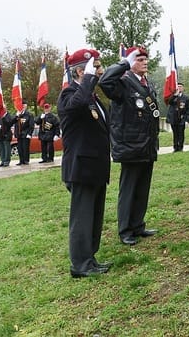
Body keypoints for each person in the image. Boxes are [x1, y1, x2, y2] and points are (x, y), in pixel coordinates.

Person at [57, 48, 111, 278]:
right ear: (81, 71)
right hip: (81, 168)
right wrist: (88, 78)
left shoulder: (91, 96)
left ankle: (90, 258)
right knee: (82, 218)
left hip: (96, 167)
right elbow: (76, 105)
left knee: (94, 216)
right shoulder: (69, 95)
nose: (100, 70)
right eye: (95, 67)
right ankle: (79, 264)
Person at [100, 46, 160, 245]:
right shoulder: (123, 83)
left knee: (142, 188)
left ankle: (137, 225)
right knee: (129, 189)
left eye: (145, 59)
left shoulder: (146, 83)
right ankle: (125, 229)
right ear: (131, 62)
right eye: (139, 59)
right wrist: (124, 62)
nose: (144, 62)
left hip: (147, 146)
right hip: (131, 146)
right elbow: (104, 81)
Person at [167, 82, 189, 152]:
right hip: (174, 118)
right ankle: (175, 147)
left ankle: (180, 147)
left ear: (183, 88)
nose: (179, 88)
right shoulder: (173, 96)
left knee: (181, 133)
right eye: (178, 86)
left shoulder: (186, 98)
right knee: (175, 133)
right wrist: (175, 95)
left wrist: (187, 119)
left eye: (181, 86)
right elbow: (169, 102)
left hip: (182, 118)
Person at [11, 100, 34, 165]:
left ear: (26, 106)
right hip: (19, 134)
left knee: (25, 148)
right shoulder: (17, 114)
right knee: (20, 148)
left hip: (26, 134)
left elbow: (31, 125)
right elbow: (12, 122)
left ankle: (26, 160)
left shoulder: (29, 114)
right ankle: (21, 161)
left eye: (24, 105)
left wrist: (29, 134)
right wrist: (16, 116)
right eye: (22, 105)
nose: (23, 106)